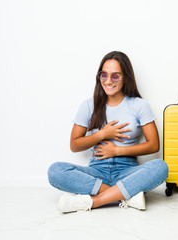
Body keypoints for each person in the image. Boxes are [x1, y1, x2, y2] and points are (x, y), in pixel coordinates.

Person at [48, 51, 169, 213]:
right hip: (96, 172)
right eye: (103, 75)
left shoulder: (139, 105)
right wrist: (102, 134)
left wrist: (117, 150)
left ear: (126, 77)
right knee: (55, 170)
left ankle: (95, 201)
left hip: (127, 172)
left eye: (115, 76)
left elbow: (154, 145)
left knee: (161, 167)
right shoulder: (88, 105)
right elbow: (74, 145)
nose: (108, 81)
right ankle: (124, 196)